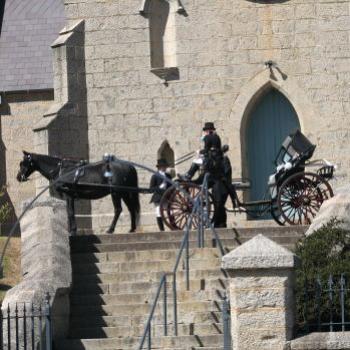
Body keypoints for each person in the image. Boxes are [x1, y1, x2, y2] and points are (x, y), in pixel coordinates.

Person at [149, 158, 172, 231]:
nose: (164, 167)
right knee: (159, 212)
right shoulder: (155, 176)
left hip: (167, 196)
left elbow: (171, 186)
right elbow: (151, 189)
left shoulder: (168, 175)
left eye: (165, 166)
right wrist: (159, 187)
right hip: (158, 197)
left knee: (170, 212)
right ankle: (162, 230)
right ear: (159, 167)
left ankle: (173, 227)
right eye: (163, 166)